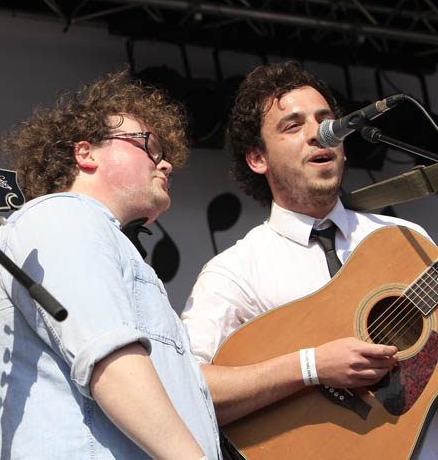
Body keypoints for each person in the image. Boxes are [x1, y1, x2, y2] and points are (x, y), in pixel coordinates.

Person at [181, 60, 438, 457]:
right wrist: (311, 366)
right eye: (292, 125)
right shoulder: (234, 272)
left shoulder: (404, 240)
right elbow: (187, 387)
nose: (318, 134)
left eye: (326, 121)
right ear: (257, 159)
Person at [0, 70, 222, 460]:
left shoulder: (98, 234)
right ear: (85, 153)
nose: (166, 164)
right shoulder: (63, 216)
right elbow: (108, 358)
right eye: (147, 145)